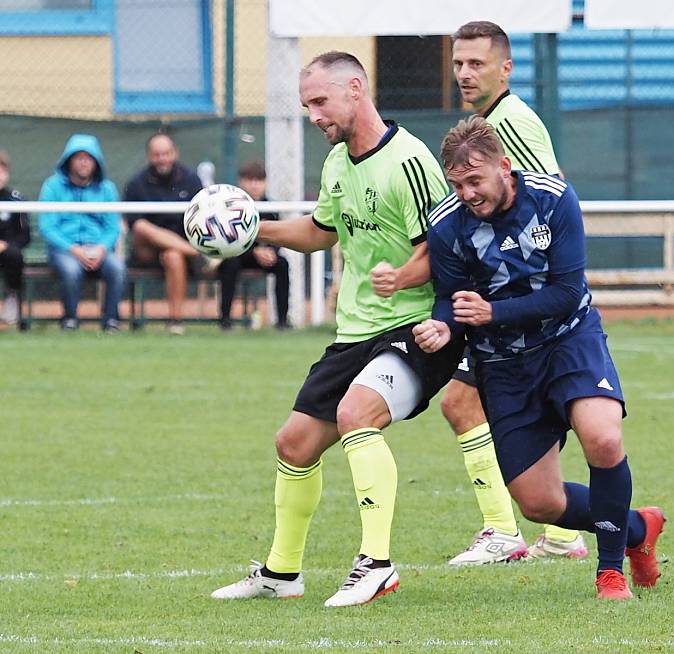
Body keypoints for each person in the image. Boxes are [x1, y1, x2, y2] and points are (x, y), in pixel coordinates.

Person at [211, 51, 462, 608]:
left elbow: (441, 252)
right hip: (356, 331)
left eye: (320, 102)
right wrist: (252, 227)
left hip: (417, 328)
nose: (314, 115)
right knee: (294, 444)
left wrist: (402, 276)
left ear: (355, 89)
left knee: (355, 416)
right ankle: (281, 574)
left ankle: (376, 564)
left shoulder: (410, 160)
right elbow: (321, 231)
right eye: (306, 106)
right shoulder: (336, 163)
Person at [414, 116, 665, 599]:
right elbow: (451, 297)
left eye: (475, 180)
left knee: (604, 439)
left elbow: (568, 292)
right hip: (504, 366)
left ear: (504, 168)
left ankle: (609, 572)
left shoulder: (552, 199)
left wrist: (491, 312)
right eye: (457, 183)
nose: (467, 193)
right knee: (539, 503)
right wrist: (443, 324)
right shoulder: (447, 224)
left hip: (569, 341)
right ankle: (637, 529)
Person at [442, 20, 586, 565]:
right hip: (506, 300)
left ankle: (503, 530)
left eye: (475, 63)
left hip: (522, 306)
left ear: (506, 68)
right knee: (471, 405)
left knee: (460, 402)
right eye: (458, 63)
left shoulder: (510, 122)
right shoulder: (488, 122)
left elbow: (548, 197)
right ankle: (562, 534)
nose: (463, 73)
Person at [38, 134, 126, 332]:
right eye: (78, 157)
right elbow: (47, 226)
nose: (84, 162)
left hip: (99, 249)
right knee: (70, 270)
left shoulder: (107, 189)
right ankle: (70, 320)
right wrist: (74, 250)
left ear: (96, 162)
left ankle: (111, 321)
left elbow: (113, 227)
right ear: (69, 160)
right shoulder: (52, 187)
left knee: (117, 267)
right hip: (65, 250)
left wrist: (102, 248)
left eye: (89, 157)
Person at [124, 132, 207, 335]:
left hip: (182, 250)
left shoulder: (191, 180)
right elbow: (134, 225)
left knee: (173, 255)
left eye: (166, 153)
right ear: (149, 156)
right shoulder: (136, 184)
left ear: (175, 153)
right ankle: (194, 252)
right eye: (156, 154)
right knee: (142, 227)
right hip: (147, 251)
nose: (162, 159)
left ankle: (175, 321)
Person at [217, 161, 290, 330]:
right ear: (240, 182)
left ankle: (282, 321)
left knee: (282, 264)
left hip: (264, 257)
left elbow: (279, 234)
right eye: (249, 180)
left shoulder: (270, 208)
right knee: (230, 264)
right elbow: (229, 239)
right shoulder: (231, 208)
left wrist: (271, 252)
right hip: (238, 256)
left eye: (259, 180)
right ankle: (225, 320)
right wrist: (253, 251)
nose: (254, 185)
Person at [0, 150, 30, 325]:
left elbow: (24, 236)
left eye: (2, 171)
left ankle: (12, 299)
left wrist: (6, 245)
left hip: (8, 252)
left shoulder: (16, 200)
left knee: (14, 256)